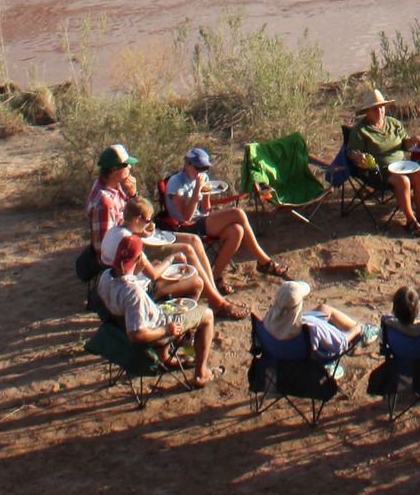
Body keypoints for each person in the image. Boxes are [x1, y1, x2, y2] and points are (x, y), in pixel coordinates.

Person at [97, 228, 215, 386]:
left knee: (172, 300)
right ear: (139, 259)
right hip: (154, 333)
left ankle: (165, 356)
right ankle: (202, 374)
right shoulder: (133, 292)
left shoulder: (105, 277)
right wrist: (166, 330)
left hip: (119, 330)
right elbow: (136, 335)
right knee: (207, 314)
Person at [159, 143, 285, 284]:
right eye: (198, 168)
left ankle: (215, 278)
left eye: (205, 168)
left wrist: (206, 193)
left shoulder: (202, 178)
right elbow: (185, 217)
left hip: (199, 220)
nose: (202, 172)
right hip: (183, 226)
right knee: (238, 213)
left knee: (236, 231)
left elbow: (205, 209)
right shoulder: (176, 182)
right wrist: (197, 191)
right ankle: (263, 261)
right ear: (187, 165)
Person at [104, 190, 233, 313]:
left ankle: (213, 296)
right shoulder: (131, 242)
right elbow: (153, 275)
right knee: (196, 282)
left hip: (114, 288)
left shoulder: (113, 232)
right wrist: (171, 259)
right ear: (137, 219)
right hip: (138, 292)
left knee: (161, 264)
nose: (149, 224)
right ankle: (185, 320)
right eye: (147, 221)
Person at [346, 89, 420, 233]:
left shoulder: (394, 124)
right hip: (378, 172)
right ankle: (411, 221)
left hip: (402, 166)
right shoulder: (360, 130)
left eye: (382, 107)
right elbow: (350, 152)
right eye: (375, 108)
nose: (380, 111)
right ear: (367, 111)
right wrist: (359, 157)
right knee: (403, 181)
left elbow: (405, 144)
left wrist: (414, 141)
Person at [256, 275, 364, 373]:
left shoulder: (265, 322)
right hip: (308, 364)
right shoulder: (311, 328)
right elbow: (341, 343)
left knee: (323, 309)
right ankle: (365, 332)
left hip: (278, 361)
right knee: (357, 328)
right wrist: (356, 329)